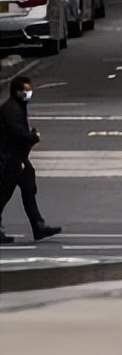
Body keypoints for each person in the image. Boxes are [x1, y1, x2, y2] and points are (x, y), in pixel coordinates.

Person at [0, 76, 61, 244]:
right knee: (4, 193)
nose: (28, 94)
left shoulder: (17, 106)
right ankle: (37, 225)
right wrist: (32, 137)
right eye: (24, 91)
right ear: (16, 91)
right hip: (10, 157)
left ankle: (38, 225)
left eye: (29, 90)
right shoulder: (11, 109)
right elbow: (17, 134)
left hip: (18, 157)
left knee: (28, 189)